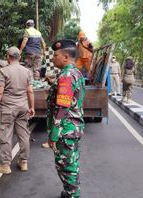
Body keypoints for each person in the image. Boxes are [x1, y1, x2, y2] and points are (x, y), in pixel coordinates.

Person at [47, 40, 85, 198]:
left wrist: (54, 133)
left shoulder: (66, 76)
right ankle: (70, 192)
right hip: (73, 127)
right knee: (72, 162)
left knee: (65, 165)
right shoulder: (76, 72)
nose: (53, 58)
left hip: (65, 129)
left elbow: (63, 106)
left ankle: (72, 194)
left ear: (65, 57)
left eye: (55, 55)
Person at [0, 46, 35, 174]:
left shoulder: (4, 71)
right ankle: (24, 162)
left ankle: (5, 165)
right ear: (19, 57)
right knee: (24, 134)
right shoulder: (27, 72)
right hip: (23, 107)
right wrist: (32, 107)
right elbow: (30, 91)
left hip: (8, 108)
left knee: (5, 134)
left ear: (7, 57)